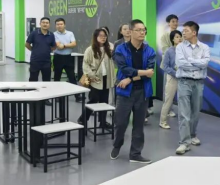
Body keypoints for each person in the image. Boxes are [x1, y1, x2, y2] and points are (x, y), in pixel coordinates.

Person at [111, 19, 155, 164]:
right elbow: (125, 69)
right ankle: (117, 145)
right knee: (120, 123)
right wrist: (143, 72)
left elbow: (150, 72)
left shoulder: (149, 50)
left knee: (139, 125)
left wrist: (130, 79)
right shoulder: (121, 49)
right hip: (124, 93)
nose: (142, 32)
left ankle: (135, 153)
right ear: (130, 32)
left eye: (144, 30)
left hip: (142, 91)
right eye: (139, 30)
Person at [175, 21, 210, 155]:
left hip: (199, 82)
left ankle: (192, 134)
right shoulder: (180, 47)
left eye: (186, 31)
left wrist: (190, 60)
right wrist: (197, 64)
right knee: (184, 113)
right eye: (183, 31)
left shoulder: (204, 47)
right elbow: (181, 64)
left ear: (194, 33)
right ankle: (184, 143)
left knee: (196, 112)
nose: (183, 33)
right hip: (184, 82)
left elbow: (205, 63)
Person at [77, 29, 115, 127]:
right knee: (93, 100)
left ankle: (102, 122)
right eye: (101, 35)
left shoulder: (109, 48)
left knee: (104, 101)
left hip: (106, 78)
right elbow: (85, 64)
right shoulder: (90, 49)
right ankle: (83, 118)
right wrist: (91, 75)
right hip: (95, 78)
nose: (103, 37)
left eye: (105, 36)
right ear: (96, 37)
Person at [25, 17, 56, 105]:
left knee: (46, 80)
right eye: (43, 22)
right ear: (40, 24)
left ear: (49, 24)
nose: (45, 24)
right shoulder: (34, 33)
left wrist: (47, 50)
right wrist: (34, 50)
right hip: (35, 60)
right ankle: (31, 97)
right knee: (33, 79)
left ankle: (46, 98)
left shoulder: (51, 35)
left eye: (47, 23)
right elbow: (27, 44)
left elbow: (54, 46)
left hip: (46, 61)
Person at [53, 18, 81, 102]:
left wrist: (64, 45)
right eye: (57, 24)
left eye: (61, 24)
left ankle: (77, 96)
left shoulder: (70, 33)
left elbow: (74, 44)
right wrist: (68, 44)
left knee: (72, 77)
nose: (59, 26)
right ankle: (57, 96)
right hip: (58, 57)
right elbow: (58, 46)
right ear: (55, 26)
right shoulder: (53, 34)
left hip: (68, 57)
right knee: (57, 78)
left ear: (64, 25)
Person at [159, 30, 183, 129]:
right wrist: (176, 73)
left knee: (183, 101)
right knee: (168, 100)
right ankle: (162, 121)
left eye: (180, 37)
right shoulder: (169, 51)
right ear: (172, 39)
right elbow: (165, 66)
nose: (179, 39)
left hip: (183, 78)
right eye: (177, 37)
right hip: (172, 78)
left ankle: (183, 123)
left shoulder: (184, 50)